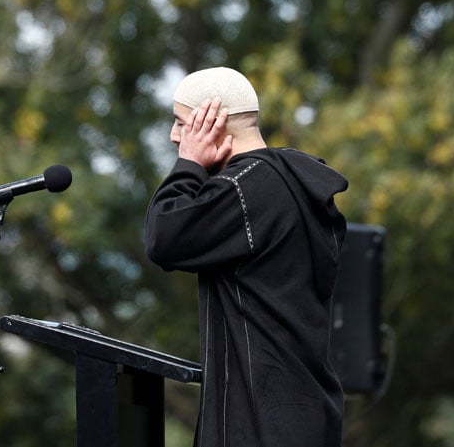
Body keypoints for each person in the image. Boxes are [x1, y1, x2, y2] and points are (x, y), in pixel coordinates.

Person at [144, 66, 349, 447]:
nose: (175, 137)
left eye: (180, 123)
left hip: (262, 426)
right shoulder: (291, 183)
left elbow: (164, 236)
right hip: (303, 414)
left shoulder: (247, 188)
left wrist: (189, 164)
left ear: (212, 124)